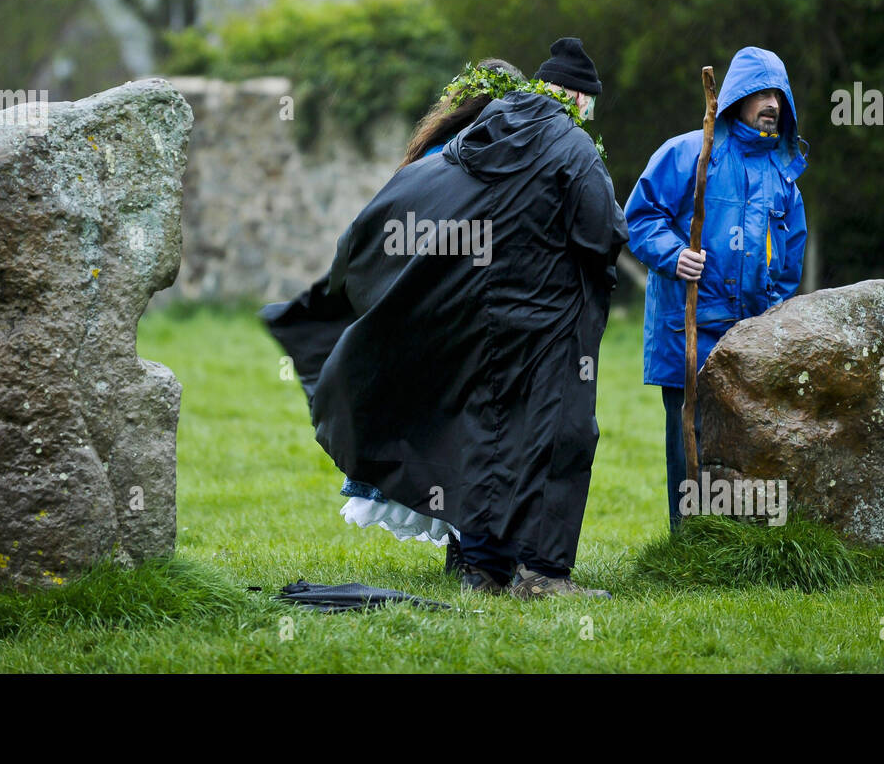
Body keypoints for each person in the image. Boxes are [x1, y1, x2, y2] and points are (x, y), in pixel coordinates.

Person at [261, 37, 627, 599]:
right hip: (548, 330)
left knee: (485, 436)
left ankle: (481, 568)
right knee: (557, 439)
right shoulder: (571, 145)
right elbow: (604, 232)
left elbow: (426, 197)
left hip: (481, 326)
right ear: (579, 99)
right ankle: (543, 575)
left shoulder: (481, 134)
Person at [337, 58, 526, 566]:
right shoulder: (471, 159)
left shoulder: (430, 158)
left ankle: (468, 546)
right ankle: (471, 548)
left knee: (455, 429)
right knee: (474, 430)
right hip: (464, 314)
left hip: (434, 317)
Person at [624, 46, 809, 531]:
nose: (771, 103)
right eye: (761, 93)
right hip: (690, 333)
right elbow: (640, 219)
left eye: (778, 95)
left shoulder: (785, 177)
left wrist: (773, 323)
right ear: (736, 98)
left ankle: (737, 546)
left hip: (753, 340)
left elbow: (789, 268)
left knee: (750, 443)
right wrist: (674, 255)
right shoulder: (689, 153)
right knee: (692, 443)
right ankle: (689, 545)